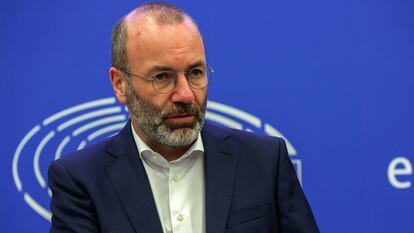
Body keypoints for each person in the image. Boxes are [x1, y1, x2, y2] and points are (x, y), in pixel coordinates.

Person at [48, 2, 319, 233]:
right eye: (162, 77)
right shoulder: (81, 179)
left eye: (195, 73)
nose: (186, 95)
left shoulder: (265, 162)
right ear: (120, 84)